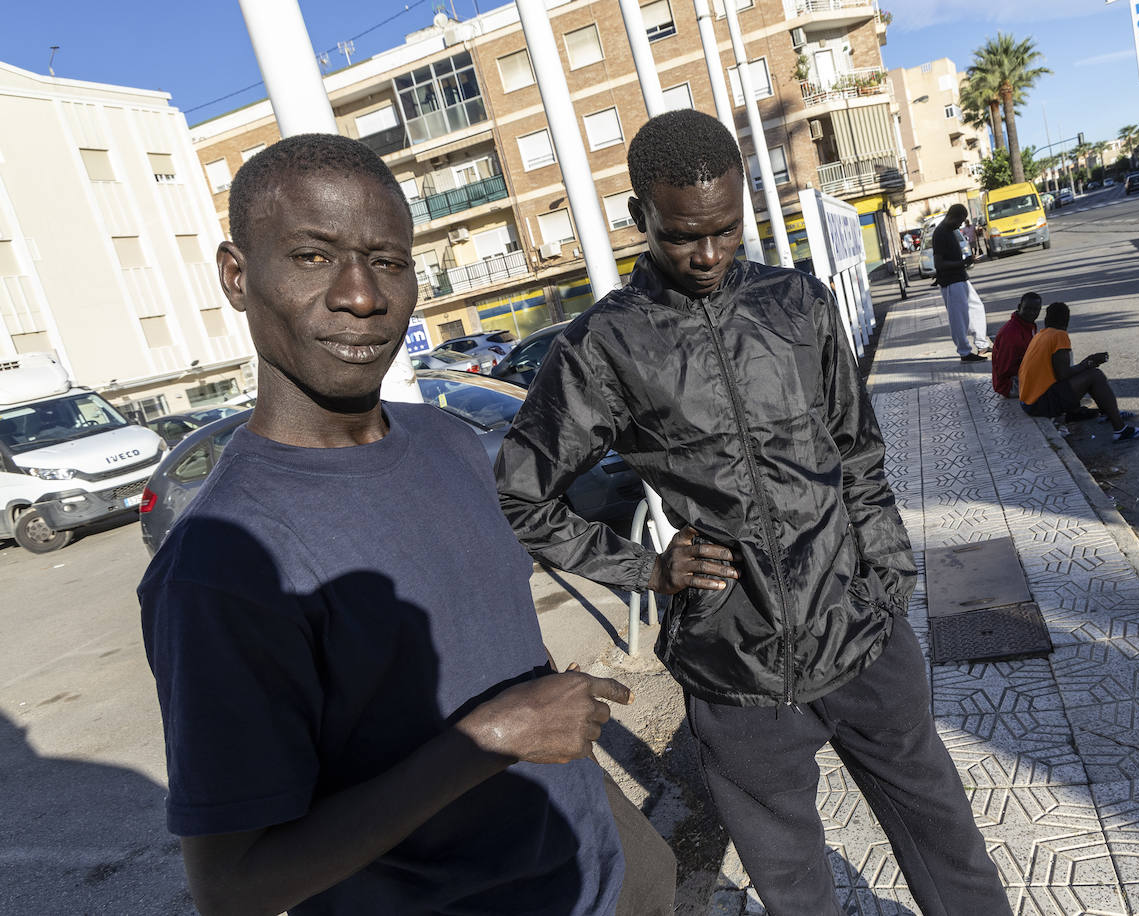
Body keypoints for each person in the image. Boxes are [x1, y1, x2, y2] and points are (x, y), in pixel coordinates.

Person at [138, 134, 674, 916]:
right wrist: (491, 740)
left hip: (602, 870)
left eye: (388, 261)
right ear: (236, 275)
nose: (362, 295)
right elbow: (234, 886)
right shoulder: (219, 568)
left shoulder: (449, 441)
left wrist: (625, 841)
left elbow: (505, 647)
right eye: (313, 257)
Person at [494, 109, 1011, 916]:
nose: (707, 254)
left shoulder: (797, 304)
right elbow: (521, 493)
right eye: (682, 236)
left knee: (951, 848)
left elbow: (857, 451)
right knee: (797, 891)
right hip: (735, 669)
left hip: (862, 636)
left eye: (726, 230)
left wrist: (886, 577)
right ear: (641, 219)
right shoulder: (603, 347)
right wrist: (648, 571)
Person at [1018, 301, 1139, 441]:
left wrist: (1086, 365)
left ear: (1046, 320)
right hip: (1038, 405)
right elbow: (1063, 374)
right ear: (1066, 321)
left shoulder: (1042, 334)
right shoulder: (1059, 335)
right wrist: (1088, 363)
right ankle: (1120, 430)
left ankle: (1108, 412)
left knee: (1087, 374)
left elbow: (1058, 373)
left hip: (1028, 402)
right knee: (1095, 375)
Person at [932, 204, 991, 361]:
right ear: (953, 217)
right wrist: (963, 263)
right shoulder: (940, 233)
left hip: (960, 278)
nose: (961, 224)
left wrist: (965, 262)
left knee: (976, 307)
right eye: (960, 221)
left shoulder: (950, 230)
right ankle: (964, 352)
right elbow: (939, 263)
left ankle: (982, 344)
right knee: (959, 317)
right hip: (951, 281)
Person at [990, 291, 1041, 398]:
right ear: (1019, 307)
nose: (1032, 313)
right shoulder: (1011, 334)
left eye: (1035, 310)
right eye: (1027, 309)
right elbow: (1005, 370)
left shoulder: (1027, 325)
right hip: (1010, 385)